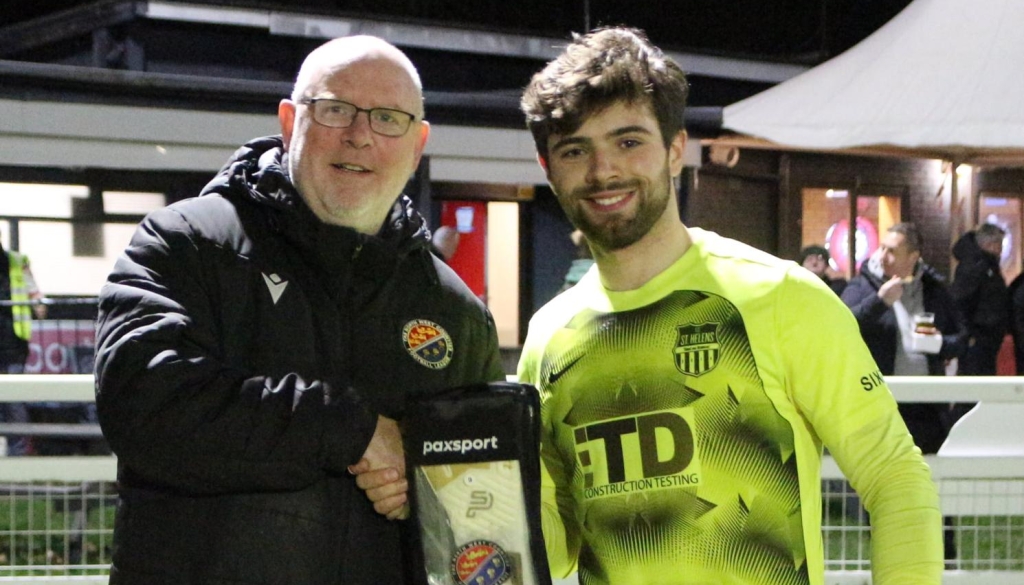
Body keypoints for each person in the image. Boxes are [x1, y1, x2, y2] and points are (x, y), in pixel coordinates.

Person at [515, 27, 941, 584]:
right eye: (575, 150)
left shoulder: (780, 296)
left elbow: (894, 477)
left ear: (674, 150)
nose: (603, 171)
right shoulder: (549, 337)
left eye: (628, 142)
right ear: (547, 167)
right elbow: (554, 539)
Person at [93, 36, 504, 585]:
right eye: (335, 109)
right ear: (290, 122)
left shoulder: (454, 309)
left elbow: (489, 501)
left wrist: (433, 483)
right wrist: (351, 429)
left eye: (388, 118)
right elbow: (143, 403)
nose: (360, 135)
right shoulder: (187, 242)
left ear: (417, 144)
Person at [841, 223, 967, 453]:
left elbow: (961, 340)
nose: (883, 256)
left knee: (925, 469)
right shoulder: (862, 285)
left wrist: (938, 344)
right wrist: (879, 302)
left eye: (892, 251)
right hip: (878, 404)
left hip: (926, 406)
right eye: (882, 248)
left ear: (913, 257)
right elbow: (842, 326)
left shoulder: (934, 289)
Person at [0, 239, 45, 456]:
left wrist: (38, 303)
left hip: (13, 342)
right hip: (13, 343)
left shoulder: (17, 261)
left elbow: (36, 297)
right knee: (12, 401)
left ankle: (17, 455)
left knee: (13, 401)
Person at [950, 223, 1009, 376]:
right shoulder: (975, 266)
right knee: (974, 380)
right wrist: (967, 335)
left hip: (986, 338)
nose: (1001, 249)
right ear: (990, 244)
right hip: (978, 339)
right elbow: (960, 302)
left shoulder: (986, 265)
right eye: (999, 244)